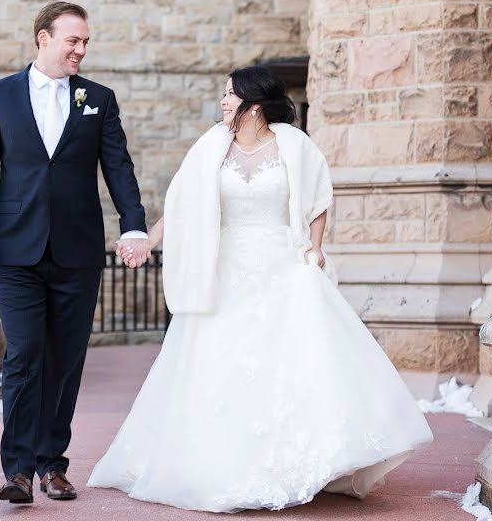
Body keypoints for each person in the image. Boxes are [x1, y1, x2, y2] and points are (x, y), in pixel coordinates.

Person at [86, 65, 434, 512]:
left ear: (253, 105)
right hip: (224, 270)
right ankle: (218, 464)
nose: (223, 101)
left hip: (281, 266)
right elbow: (183, 206)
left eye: (230, 95)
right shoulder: (211, 147)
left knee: (292, 364)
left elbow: (318, 201)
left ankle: (302, 462)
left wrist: (315, 248)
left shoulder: (295, 145)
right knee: (221, 362)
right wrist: (147, 241)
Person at [0, 1, 151, 506]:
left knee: (65, 361)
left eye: (86, 42)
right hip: (16, 250)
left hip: (78, 252)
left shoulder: (99, 99)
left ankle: (53, 464)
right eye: (73, 40)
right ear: (43, 39)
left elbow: (119, 167)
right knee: (25, 354)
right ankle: (19, 470)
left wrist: (133, 225)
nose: (81, 50)